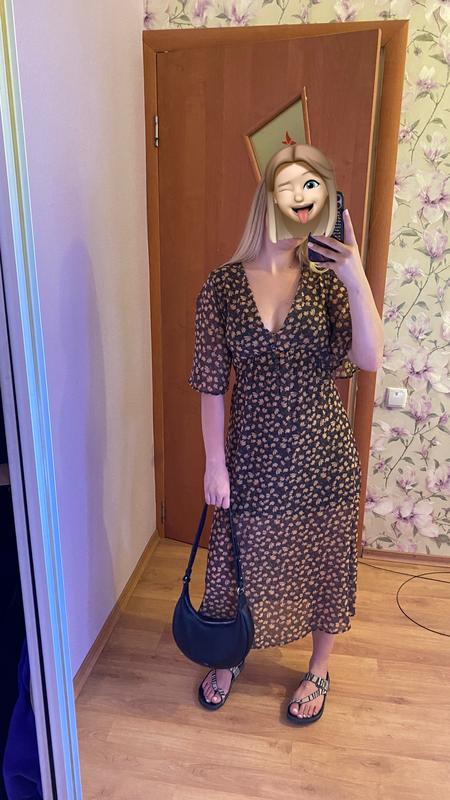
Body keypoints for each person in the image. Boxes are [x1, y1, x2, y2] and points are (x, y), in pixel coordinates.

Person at [188, 143, 383, 724]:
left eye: (314, 188)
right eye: (292, 186)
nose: (302, 199)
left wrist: (355, 276)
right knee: (236, 562)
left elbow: (370, 360)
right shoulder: (222, 286)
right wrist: (214, 463)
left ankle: (319, 668)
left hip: (324, 457)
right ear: (268, 196)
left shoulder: (329, 283)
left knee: (325, 561)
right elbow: (209, 384)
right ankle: (229, 653)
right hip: (250, 457)